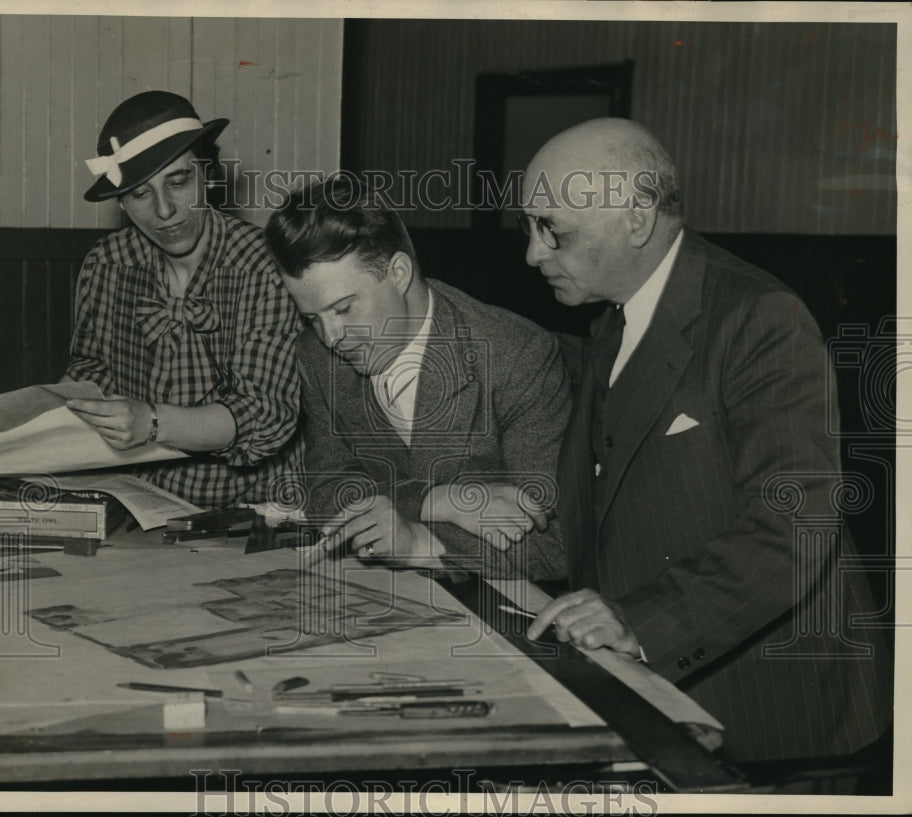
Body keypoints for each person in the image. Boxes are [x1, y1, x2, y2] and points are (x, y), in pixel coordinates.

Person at [521, 118, 892, 763]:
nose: (533, 253)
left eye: (551, 229)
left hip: (772, 710)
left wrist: (641, 623)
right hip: (658, 691)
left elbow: (795, 523)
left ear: (636, 219)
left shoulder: (759, 316)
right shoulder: (612, 316)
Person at [264, 177, 569, 579]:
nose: (331, 337)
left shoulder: (519, 356)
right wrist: (434, 501)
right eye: (311, 317)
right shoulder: (315, 353)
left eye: (343, 309)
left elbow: (556, 547)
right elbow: (325, 490)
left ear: (399, 272)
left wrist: (420, 544)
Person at [62, 91, 301, 507]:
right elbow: (91, 368)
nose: (165, 210)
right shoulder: (106, 263)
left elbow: (262, 415)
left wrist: (151, 423)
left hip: (256, 508)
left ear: (207, 174)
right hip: (139, 500)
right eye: (140, 194)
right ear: (122, 201)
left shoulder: (265, 267)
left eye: (178, 182)